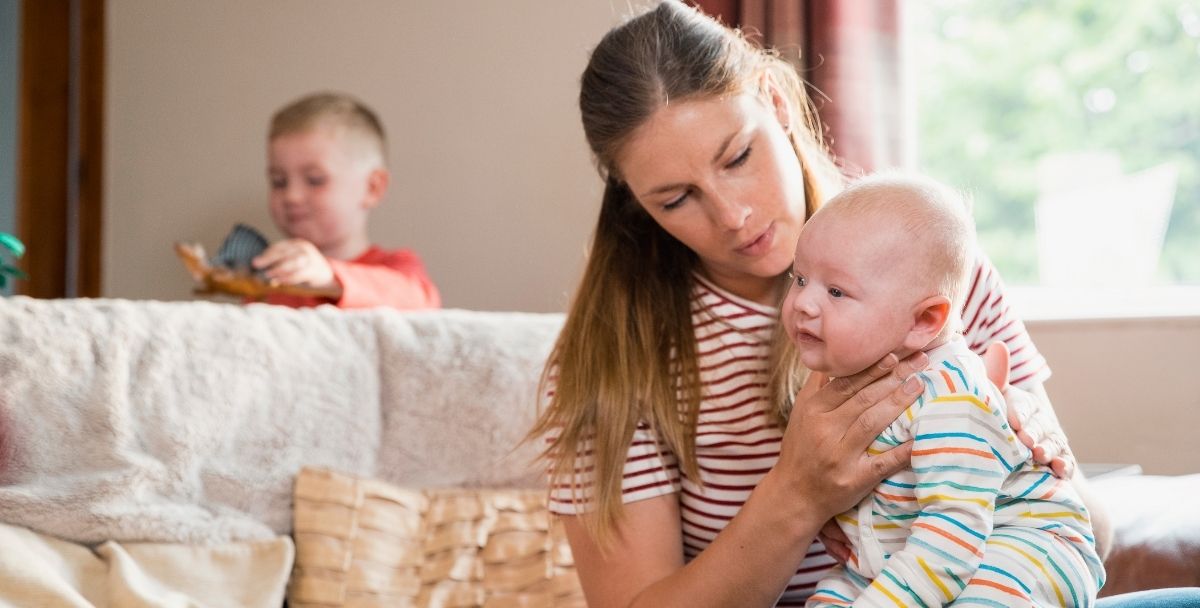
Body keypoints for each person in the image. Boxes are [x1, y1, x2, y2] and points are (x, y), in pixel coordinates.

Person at [523, 2, 1137, 607]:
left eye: (738, 157)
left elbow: (1090, 537)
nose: (733, 216)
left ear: (777, 102)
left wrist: (1028, 443)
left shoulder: (933, 269)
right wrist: (799, 493)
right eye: (676, 199)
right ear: (635, 201)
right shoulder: (616, 361)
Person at [780, 173, 1104, 606]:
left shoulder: (951, 396)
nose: (803, 302)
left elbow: (953, 530)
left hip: (1022, 544)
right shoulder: (843, 376)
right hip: (912, 555)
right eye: (799, 279)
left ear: (924, 322)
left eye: (836, 291)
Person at [252, 91, 441, 309]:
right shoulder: (267, 282)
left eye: (315, 180)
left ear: (372, 188)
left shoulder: (397, 269)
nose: (292, 196)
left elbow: (420, 302)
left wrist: (330, 276)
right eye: (278, 182)